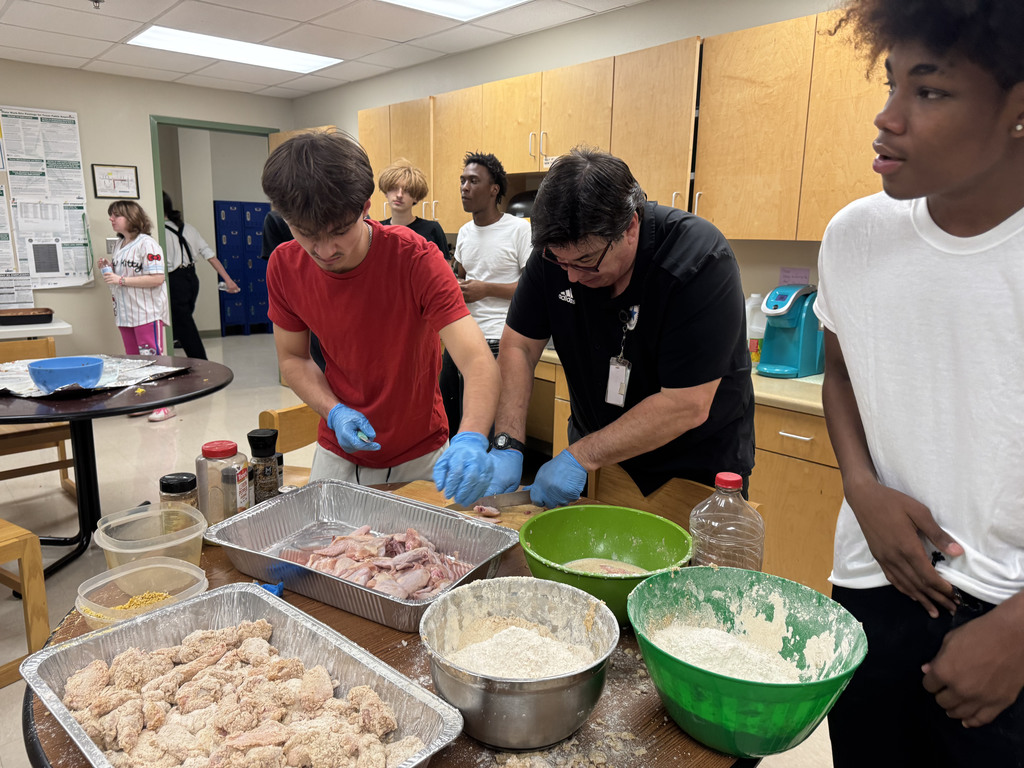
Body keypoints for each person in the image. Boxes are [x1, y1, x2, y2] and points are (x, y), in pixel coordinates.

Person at [813, 2, 1024, 765]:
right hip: (874, 581)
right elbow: (841, 369)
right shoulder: (856, 234)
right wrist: (862, 488)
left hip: (1009, 609)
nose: (887, 117)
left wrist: (1018, 632)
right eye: (891, 82)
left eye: (929, 92)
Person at [487, 147, 754, 509]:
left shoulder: (699, 261)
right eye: (560, 261)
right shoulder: (558, 253)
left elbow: (686, 405)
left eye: (586, 262)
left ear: (630, 226)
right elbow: (519, 346)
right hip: (595, 459)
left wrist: (580, 455)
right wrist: (508, 443)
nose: (571, 276)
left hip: (692, 473)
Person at [260, 130, 500, 506]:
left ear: (365, 207)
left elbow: (476, 360)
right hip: (338, 452)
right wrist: (333, 410)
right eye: (306, 234)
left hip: (420, 456)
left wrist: (471, 436)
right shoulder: (285, 266)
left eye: (339, 231)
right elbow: (293, 358)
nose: (324, 250)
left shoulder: (416, 260)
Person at [439, 152, 531, 433]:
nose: (464, 187)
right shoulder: (465, 232)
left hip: (498, 341)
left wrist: (485, 289)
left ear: (494, 190)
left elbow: (531, 292)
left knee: (484, 431)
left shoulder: (518, 230)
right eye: (462, 180)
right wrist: (456, 284)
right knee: (452, 423)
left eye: (473, 181)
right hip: (462, 338)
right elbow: (462, 277)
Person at [98, 200, 175, 422]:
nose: (111, 219)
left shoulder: (147, 244)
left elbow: (157, 278)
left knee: (154, 360)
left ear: (131, 218)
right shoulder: (120, 246)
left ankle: (166, 404)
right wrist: (109, 269)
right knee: (134, 363)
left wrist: (120, 279)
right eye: (110, 215)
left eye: (116, 215)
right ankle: (145, 401)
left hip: (146, 313)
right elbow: (126, 277)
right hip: (125, 313)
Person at [162, 191, 240, 361]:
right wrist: (228, 280)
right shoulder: (188, 228)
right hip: (191, 279)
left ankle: (201, 361)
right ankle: (180, 339)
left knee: (185, 323)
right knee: (183, 319)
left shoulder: (159, 232)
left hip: (175, 280)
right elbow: (210, 255)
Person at [377, 158, 450, 259]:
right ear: (386, 192)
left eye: (406, 190)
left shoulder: (432, 229)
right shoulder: (378, 230)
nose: (399, 195)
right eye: (394, 188)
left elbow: (445, 268)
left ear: (416, 197)